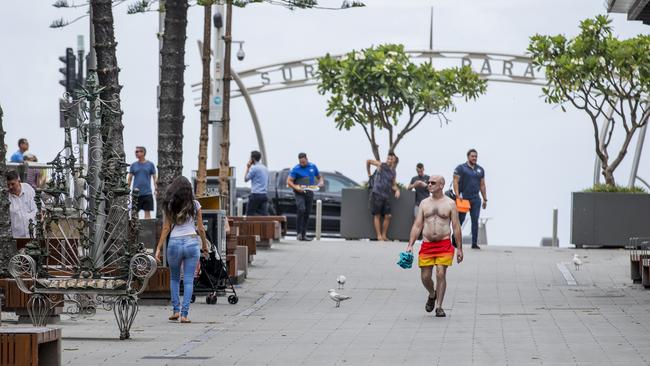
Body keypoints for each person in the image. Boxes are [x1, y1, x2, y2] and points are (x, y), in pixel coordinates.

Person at [405, 175, 463, 317]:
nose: (429, 184)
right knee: (425, 277)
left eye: (433, 182)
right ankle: (432, 294)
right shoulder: (424, 203)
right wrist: (410, 244)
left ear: (441, 185)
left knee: (440, 273)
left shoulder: (450, 204)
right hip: (427, 244)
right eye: (429, 182)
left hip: (444, 244)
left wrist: (460, 248)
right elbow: (418, 225)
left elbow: (456, 227)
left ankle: (439, 307)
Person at [154, 176, 209, 324]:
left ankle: (175, 310)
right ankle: (184, 315)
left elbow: (166, 228)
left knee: (174, 278)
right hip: (192, 242)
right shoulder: (195, 204)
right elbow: (201, 229)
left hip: (175, 243)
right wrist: (204, 245)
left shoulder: (170, 205)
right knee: (189, 280)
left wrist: (158, 249)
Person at [453, 149, 488, 249]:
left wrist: (485, 199)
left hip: (476, 199)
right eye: (472, 156)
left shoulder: (480, 170)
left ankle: (474, 243)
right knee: (460, 220)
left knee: (475, 220)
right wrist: (457, 195)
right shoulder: (461, 168)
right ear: (468, 157)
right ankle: (454, 238)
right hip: (463, 199)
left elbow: (482, 185)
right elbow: (455, 181)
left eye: (476, 156)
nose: (474, 158)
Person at [287, 152, 323, 241]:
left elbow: (319, 177)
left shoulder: (313, 166)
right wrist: (296, 188)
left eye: (303, 162)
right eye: (300, 162)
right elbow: (289, 181)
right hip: (299, 192)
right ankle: (298, 233)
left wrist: (321, 182)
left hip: (310, 191)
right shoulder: (296, 169)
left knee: (307, 212)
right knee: (301, 209)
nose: (302, 164)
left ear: (307, 159)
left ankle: (303, 235)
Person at [366, 152, 400, 241]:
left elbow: (393, 184)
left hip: (386, 196)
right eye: (388, 158)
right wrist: (369, 174)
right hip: (377, 193)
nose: (389, 160)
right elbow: (368, 161)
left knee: (388, 216)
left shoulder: (393, 172)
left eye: (391, 159)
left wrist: (397, 190)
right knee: (377, 215)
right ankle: (379, 236)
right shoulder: (381, 165)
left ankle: (384, 235)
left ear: (394, 160)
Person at [127, 146, 157, 219]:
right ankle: (135, 230)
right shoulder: (133, 165)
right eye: (136, 152)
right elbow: (129, 178)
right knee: (134, 214)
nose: (136, 153)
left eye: (138, 151)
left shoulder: (150, 164)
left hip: (147, 193)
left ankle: (148, 230)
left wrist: (156, 189)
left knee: (147, 214)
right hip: (136, 194)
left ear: (143, 153)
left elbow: (154, 177)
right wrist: (127, 190)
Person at [6, 170, 37, 238]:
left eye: (12, 184)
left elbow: (40, 207)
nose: (10, 187)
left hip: (33, 235)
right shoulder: (5, 196)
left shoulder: (28, 189)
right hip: (16, 237)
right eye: (8, 185)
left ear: (19, 181)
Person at [244, 150, 269, 216]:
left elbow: (246, 179)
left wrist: (248, 167)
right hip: (264, 195)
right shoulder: (265, 168)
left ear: (253, 159)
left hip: (255, 195)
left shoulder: (254, 168)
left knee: (249, 215)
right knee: (263, 216)